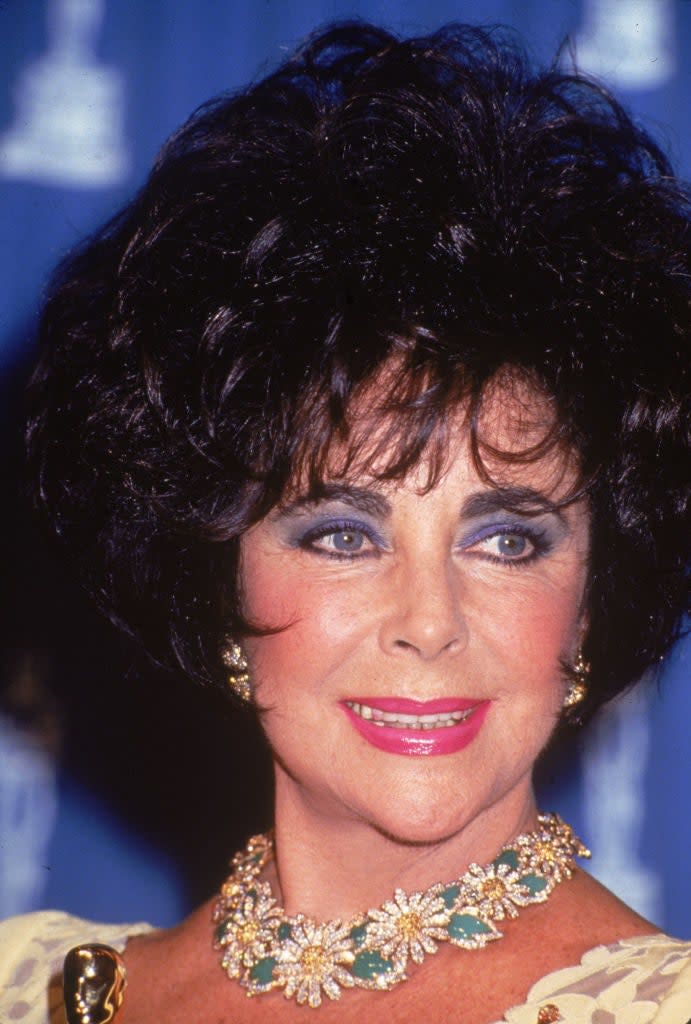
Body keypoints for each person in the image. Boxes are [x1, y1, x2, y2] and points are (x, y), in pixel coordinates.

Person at [1, 20, 689, 1023]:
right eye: (342, 535)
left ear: (587, 603)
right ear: (218, 575)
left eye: (506, 539)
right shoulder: (42, 992)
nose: (428, 618)